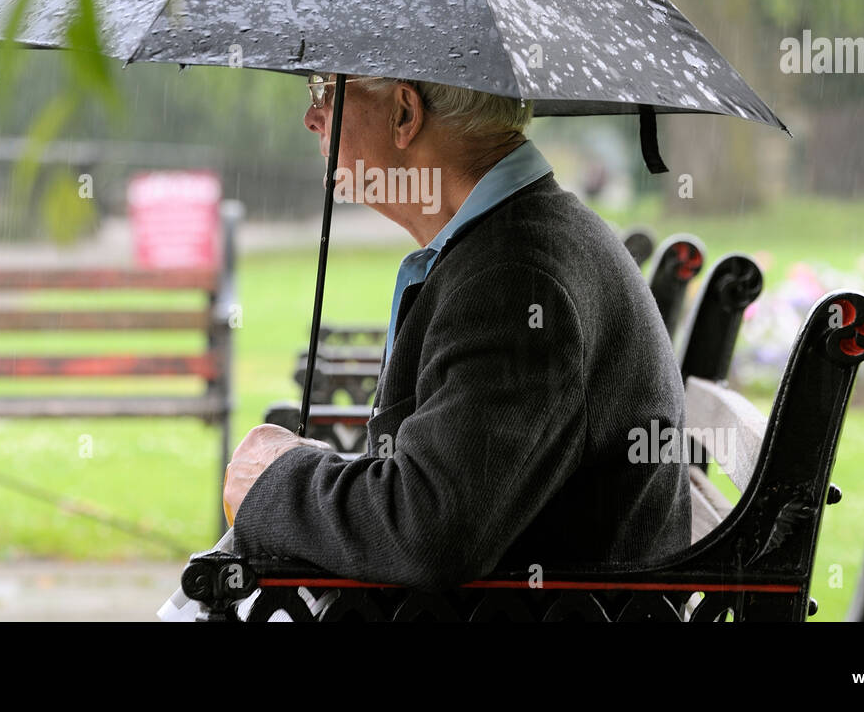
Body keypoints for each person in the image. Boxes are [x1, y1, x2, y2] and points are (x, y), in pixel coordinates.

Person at [223, 73, 690, 593]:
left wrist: (276, 481)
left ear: (404, 113)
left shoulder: (517, 280)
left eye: (325, 92)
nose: (311, 117)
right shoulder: (513, 243)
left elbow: (427, 533)